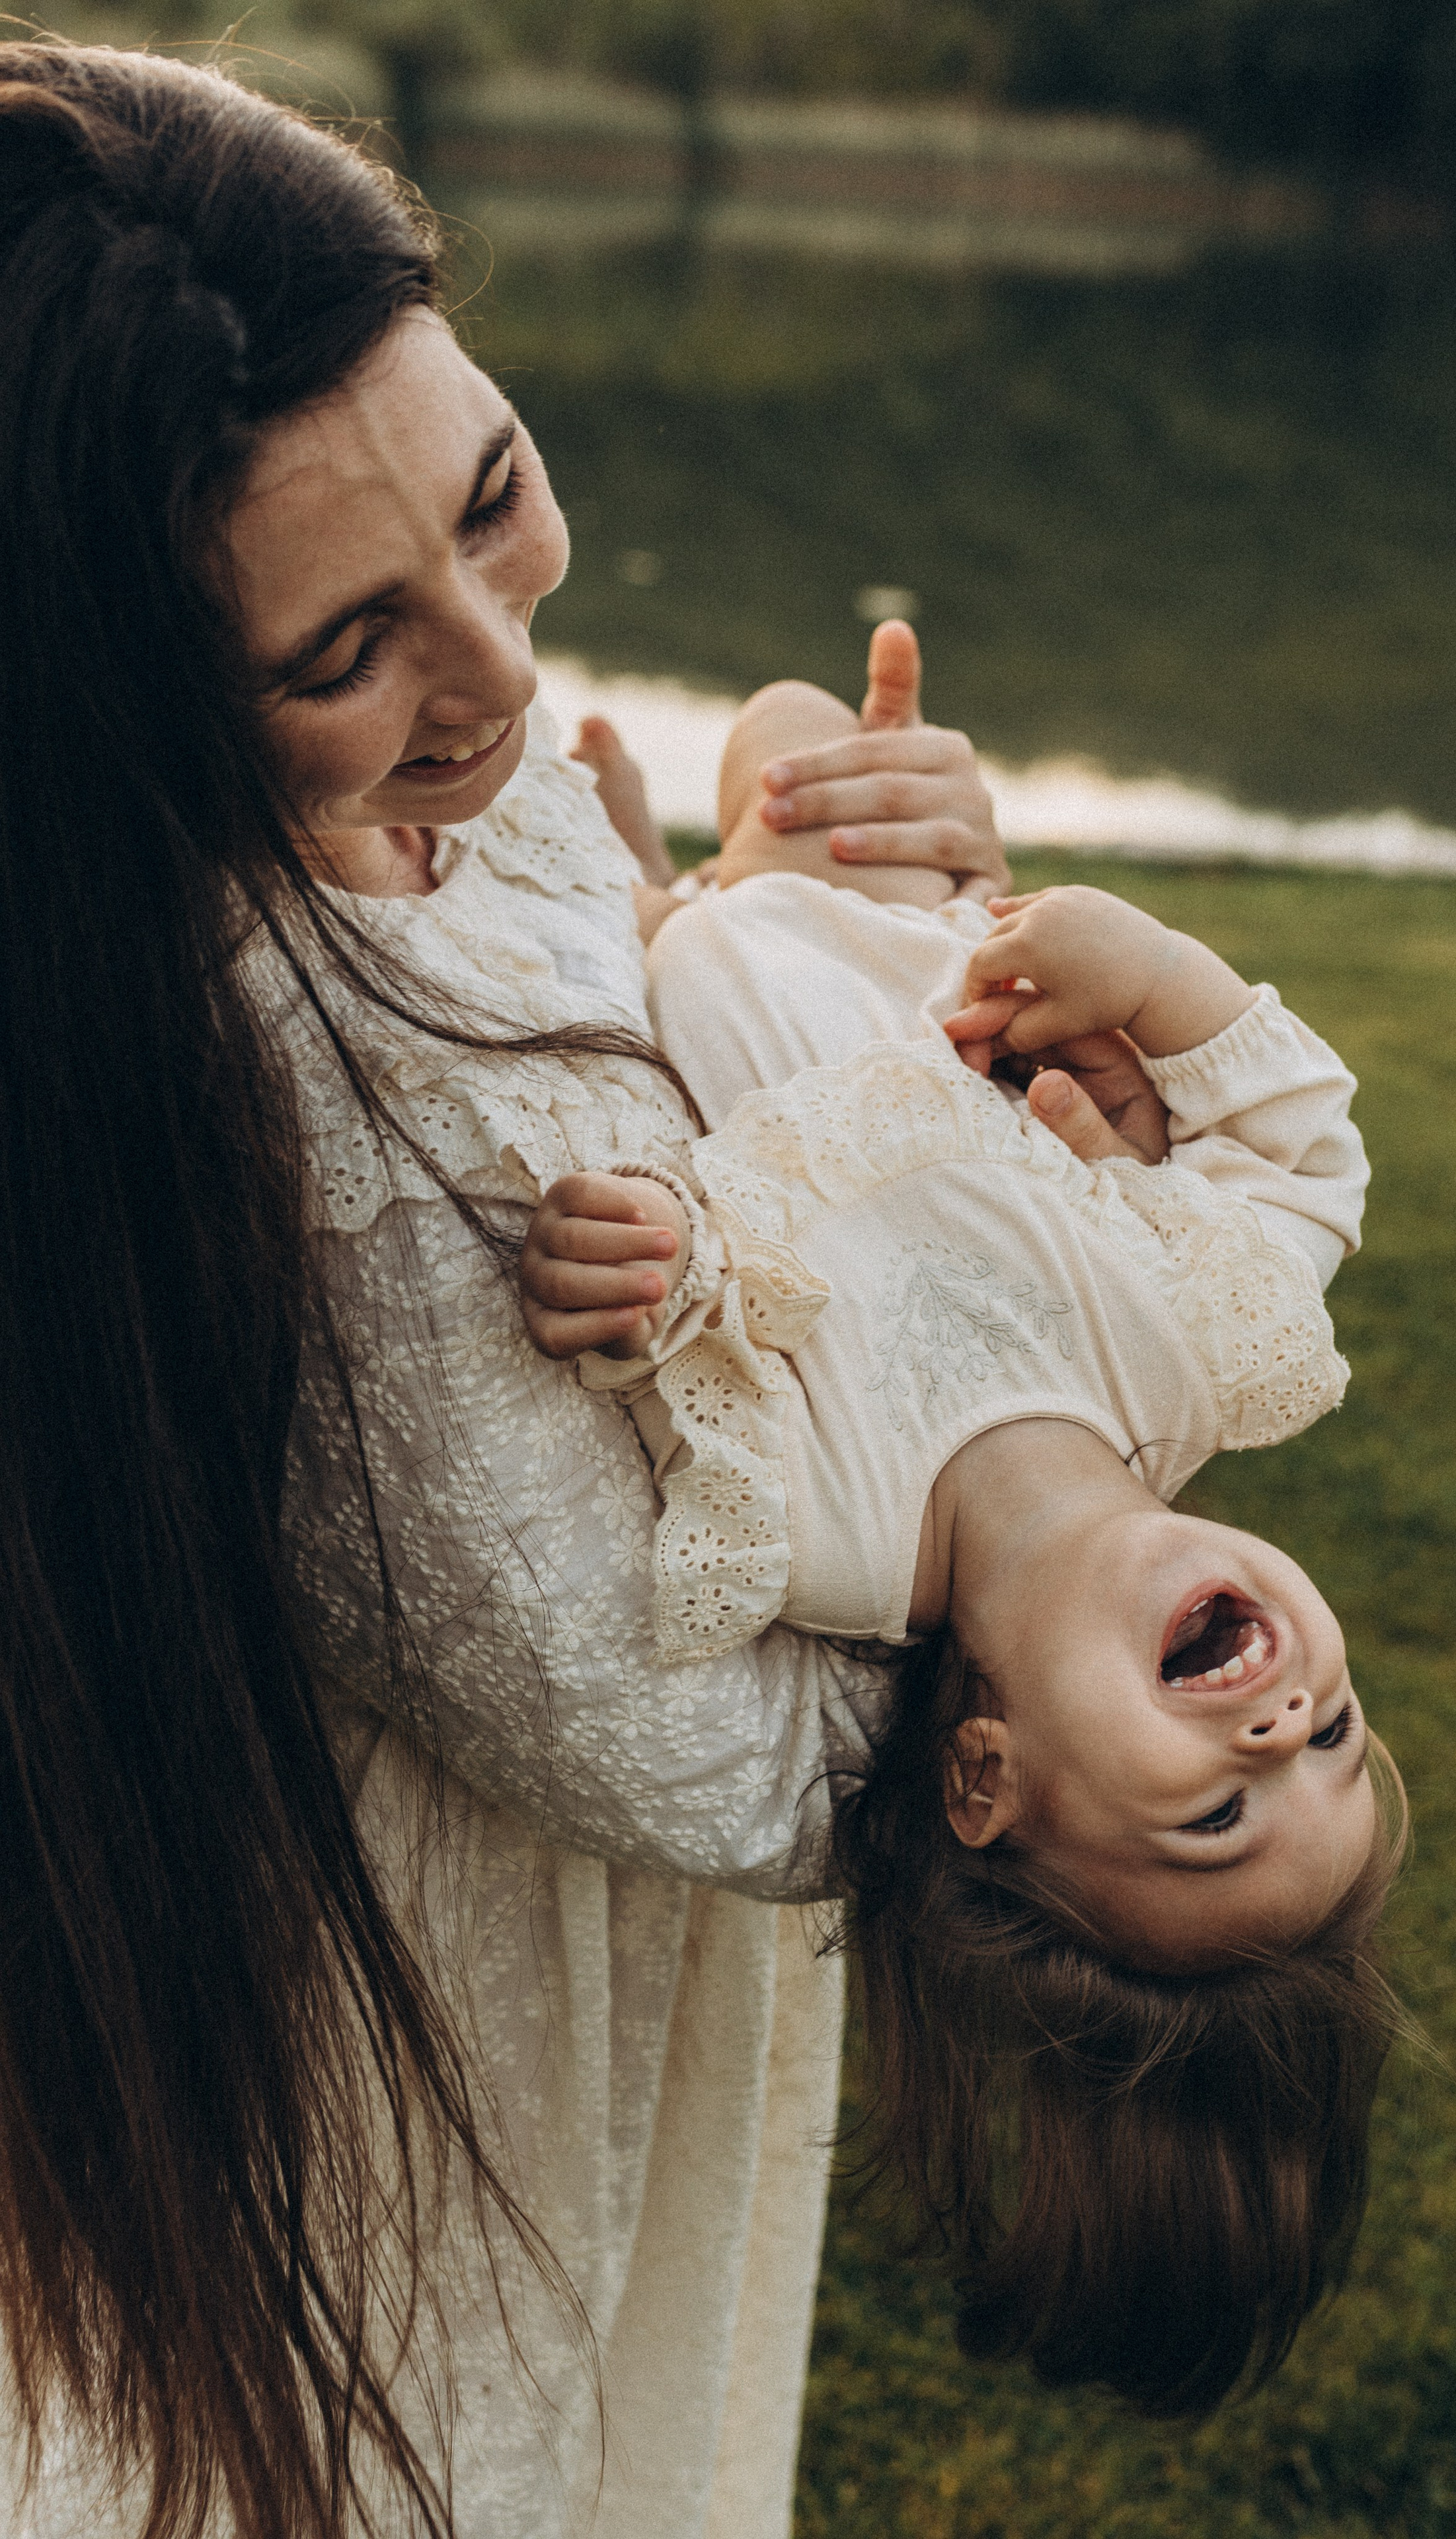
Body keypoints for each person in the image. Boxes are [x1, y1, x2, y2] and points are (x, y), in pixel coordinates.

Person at [0, 45, 1023, 2539]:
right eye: (346, 644)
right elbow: (703, 1747)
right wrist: (1045, 1461)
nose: (493, 682)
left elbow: (603, 996)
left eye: (494, 492)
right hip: (441, 2054)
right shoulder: (254, 1108)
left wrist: (858, 942)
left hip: (583, 1989)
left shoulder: (433, 811)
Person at [521, 666, 1409, 2414]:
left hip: (680, 999)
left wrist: (637, 1274)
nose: (1280, 1727)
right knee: (788, 723)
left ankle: (646, 879)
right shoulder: (1196, 1358)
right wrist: (1142, 970)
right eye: (1339, 1742)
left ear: (989, 1780)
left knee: (573, 878)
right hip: (892, 930)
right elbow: (1306, 1157)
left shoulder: (814, 1535)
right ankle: (697, 861)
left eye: (1225, 1808)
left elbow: (673, 1366)